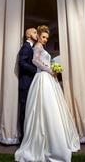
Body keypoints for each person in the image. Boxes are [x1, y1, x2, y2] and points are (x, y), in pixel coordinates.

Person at [15, 25, 80, 162]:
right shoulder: (37, 47)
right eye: (43, 37)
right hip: (42, 78)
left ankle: (53, 139)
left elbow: (41, 61)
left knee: (51, 108)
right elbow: (34, 61)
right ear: (38, 35)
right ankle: (45, 142)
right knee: (43, 108)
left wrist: (53, 67)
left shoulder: (41, 47)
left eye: (46, 38)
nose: (45, 40)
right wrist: (50, 70)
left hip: (47, 78)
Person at [18, 27, 38, 140]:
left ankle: (28, 137)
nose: (37, 34)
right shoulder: (26, 47)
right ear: (28, 35)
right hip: (25, 84)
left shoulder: (31, 48)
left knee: (29, 110)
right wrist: (35, 70)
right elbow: (22, 63)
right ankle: (23, 138)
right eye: (34, 32)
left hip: (30, 83)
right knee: (24, 111)